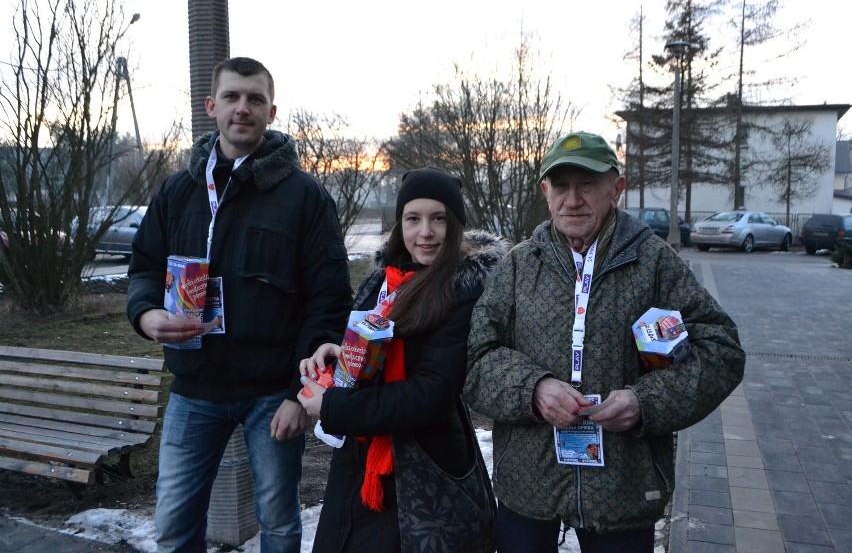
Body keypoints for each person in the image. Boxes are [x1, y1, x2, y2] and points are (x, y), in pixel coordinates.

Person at [463, 131, 745, 553]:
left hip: (622, 486)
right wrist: (533, 389)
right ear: (545, 192)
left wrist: (644, 402)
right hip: (528, 482)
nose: (572, 199)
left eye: (587, 185)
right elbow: (475, 357)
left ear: (616, 188)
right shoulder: (520, 266)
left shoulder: (652, 262)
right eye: (561, 186)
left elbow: (719, 351)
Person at [126, 56, 352, 553]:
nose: (242, 109)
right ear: (212, 107)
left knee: (279, 523)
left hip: (272, 391)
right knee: (173, 525)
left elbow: (330, 301)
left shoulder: (304, 196)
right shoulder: (178, 190)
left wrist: (300, 392)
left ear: (272, 111)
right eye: (231, 97)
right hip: (193, 387)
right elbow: (144, 266)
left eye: (254, 99)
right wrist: (146, 316)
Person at [297, 167, 508, 552]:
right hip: (358, 467)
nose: (424, 232)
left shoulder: (463, 294)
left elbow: (430, 394)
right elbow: (362, 351)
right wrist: (335, 356)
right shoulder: (381, 281)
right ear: (400, 225)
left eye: (438, 219)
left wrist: (333, 406)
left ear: (456, 225)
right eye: (413, 219)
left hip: (423, 471)